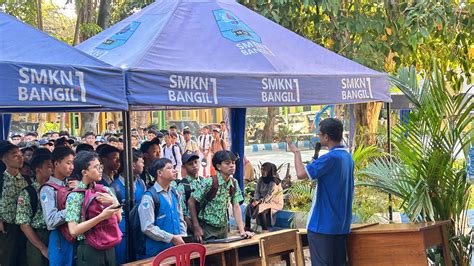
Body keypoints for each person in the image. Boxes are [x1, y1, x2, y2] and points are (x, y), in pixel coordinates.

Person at [286, 118, 354, 265]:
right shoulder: (348, 157)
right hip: (341, 225)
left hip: (322, 225)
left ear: (326, 137)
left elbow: (301, 174)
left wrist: (296, 153)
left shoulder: (330, 158)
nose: (318, 136)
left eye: (319, 134)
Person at [66, 151, 122, 266]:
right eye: (96, 167)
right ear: (84, 172)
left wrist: (112, 202)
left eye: (100, 166)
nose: (101, 169)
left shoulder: (105, 190)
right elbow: (74, 231)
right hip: (89, 248)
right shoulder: (75, 196)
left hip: (109, 244)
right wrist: (101, 217)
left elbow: (119, 219)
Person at [188, 150, 253, 242]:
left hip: (223, 228)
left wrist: (242, 231)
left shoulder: (234, 183)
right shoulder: (209, 182)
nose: (232, 166)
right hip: (208, 228)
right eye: (227, 163)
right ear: (218, 166)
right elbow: (191, 202)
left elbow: (236, 206)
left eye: (233, 163)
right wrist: (196, 226)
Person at [137, 158, 186, 259]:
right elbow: (147, 227)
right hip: (157, 253)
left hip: (175, 250)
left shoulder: (175, 193)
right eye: (169, 168)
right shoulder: (149, 197)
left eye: (173, 167)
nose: (174, 170)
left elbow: (180, 218)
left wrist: (181, 235)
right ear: (159, 173)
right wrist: (171, 238)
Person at [39, 146, 77, 266]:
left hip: (75, 235)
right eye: (68, 163)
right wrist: (73, 209)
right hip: (60, 240)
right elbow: (50, 221)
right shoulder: (47, 189)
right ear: (56, 163)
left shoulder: (73, 184)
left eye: (73, 163)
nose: (72, 167)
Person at [16, 153, 53, 266]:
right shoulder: (28, 192)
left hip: (54, 235)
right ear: (38, 170)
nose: (52, 169)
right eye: (48, 166)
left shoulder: (55, 189)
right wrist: (42, 248)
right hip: (37, 236)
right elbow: (24, 224)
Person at [111, 151, 146, 264]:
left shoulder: (141, 183)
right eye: (142, 162)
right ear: (133, 164)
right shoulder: (114, 188)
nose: (144, 165)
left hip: (139, 230)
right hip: (122, 232)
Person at [0, 142, 29, 266]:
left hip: (26, 227)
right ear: (4, 158)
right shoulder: (1, 179)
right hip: (6, 228)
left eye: (21, 154)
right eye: (15, 155)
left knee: (24, 259)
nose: (20, 157)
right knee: (8, 259)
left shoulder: (27, 180)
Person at [244, 162, 283, 233]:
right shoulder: (261, 179)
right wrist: (255, 200)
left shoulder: (274, 182)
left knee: (261, 208)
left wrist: (259, 202)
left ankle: (265, 229)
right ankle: (247, 227)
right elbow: (257, 192)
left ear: (269, 171)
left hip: (274, 202)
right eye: (262, 169)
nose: (262, 171)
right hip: (261, 200)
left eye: (265, 170)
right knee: (249, 206)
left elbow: (269, 195)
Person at [176, 151, 203, 234]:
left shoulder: (204, 181)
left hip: (205, 226)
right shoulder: (182, 186)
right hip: (191, 229)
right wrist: (195, 230)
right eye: (190, 164)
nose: (194, 166)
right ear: (184, 167)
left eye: (196, 162)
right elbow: (183, 214)